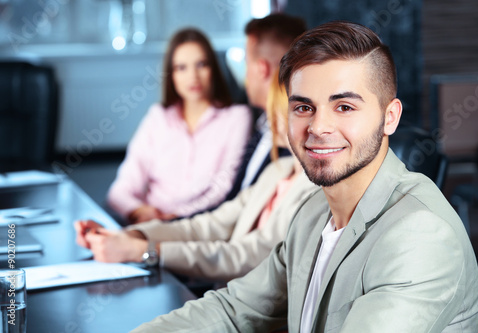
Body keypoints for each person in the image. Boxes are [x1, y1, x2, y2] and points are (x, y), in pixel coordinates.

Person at [130, 21, 478, 332]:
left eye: (344, 107)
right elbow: (236, 309)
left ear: (389, 117)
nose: (318, 127)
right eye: (303, 107)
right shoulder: (312, 214)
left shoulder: (421, 234)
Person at [74, 71, 318, 282]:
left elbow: (249, 255)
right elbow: (208, 225)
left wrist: (145, 251)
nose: (267, 120)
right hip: (225, 297)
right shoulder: (278, 170)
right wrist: (131, 236)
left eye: (271, 110)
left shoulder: (314, 188)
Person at [107, 28, 252, 224]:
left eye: (201, 64)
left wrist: (176, 217)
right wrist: (139, 211)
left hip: (198, 223)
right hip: (148, 221)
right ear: (171, 75)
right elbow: (121, 189)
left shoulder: (236, 117)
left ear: (213, 69)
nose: (193, 76)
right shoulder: (158, 117)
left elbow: (222, 188)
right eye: (181, 67)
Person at [225, 13, 307, 201]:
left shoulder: (299, 146)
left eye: (247, 64)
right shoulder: (261, 125)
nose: (246, 76)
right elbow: (232, 207)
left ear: (262, 68)